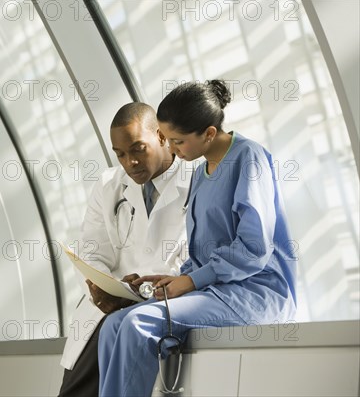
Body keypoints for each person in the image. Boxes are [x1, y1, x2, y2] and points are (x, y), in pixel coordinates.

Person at [97, 80, 297, 397]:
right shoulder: (202, 174)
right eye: (166, 140)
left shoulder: (248, 158)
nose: (172, 151)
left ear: (208, 133)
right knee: (113, 326)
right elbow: (204, 254)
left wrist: (190, 283)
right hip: (215, 290)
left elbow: (254, 250)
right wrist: (174, 278)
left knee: (138, 324)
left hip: (255, 293)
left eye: (177, 142)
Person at [58, 102, 194, 396]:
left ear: (161, 136)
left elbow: (192, 261)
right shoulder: (109, 185)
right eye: (120, 154)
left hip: (157, 311)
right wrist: (101, 286)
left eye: (137, 149)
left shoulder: (197, 184)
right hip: (106, 314)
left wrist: (143, 291)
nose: (129, 162)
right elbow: (92, 250)